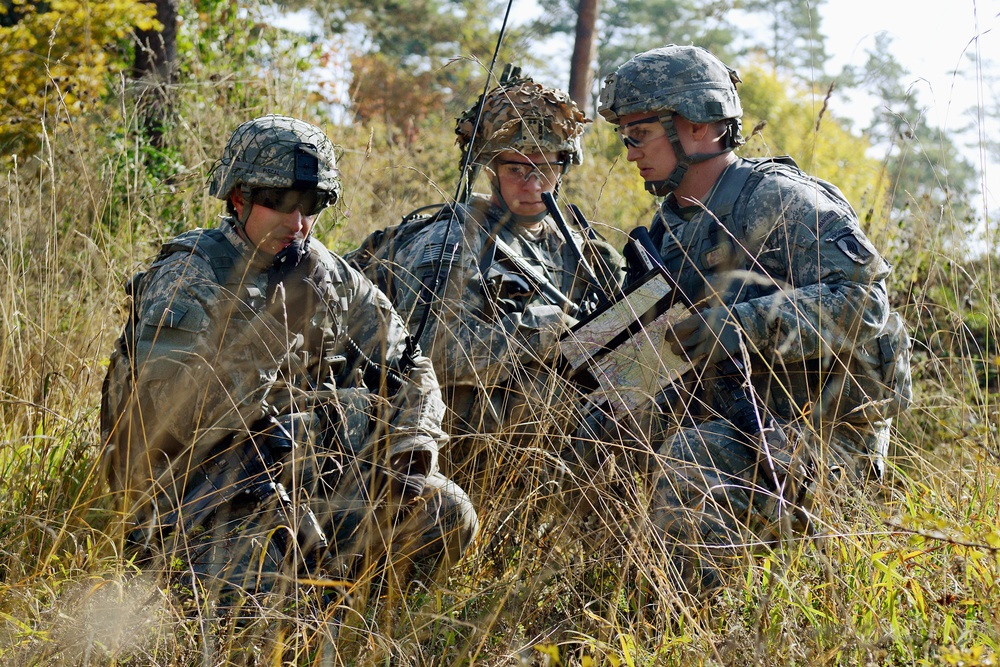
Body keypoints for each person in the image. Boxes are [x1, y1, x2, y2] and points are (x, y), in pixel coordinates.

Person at [100, 115, 478, 607]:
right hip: (203, 493)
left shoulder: (327, 274)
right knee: (253, 615)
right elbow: (171, 416)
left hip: (308, 476)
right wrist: (268, 348)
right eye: (280, 203)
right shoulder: (190, 277)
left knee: (445, 510)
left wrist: (411, 442)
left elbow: (411, 365)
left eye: (313, 205)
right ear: (238, 198)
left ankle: (355, 614)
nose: (298, 223)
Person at [592, 45, 911, 595]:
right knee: (594, 433)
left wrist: (734, 325)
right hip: (739, 415)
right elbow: (664, 349)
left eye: (637, 135)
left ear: (694, 126)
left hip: (823, 436)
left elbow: (865, 304)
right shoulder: (669, 230)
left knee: (692, 459)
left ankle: (697, 631)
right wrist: (601, 378)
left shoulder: (779, 200)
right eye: (625, 137)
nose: (629, 154)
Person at [348, 70, 624, 482]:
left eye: (547, 167)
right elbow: (427, 352)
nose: (533, 183)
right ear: (489, 168)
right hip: (456, 434)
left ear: (565, 166)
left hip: (557, 423)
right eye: (517, 169)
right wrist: (545, 332)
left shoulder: (587, 250)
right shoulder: (454, 238)